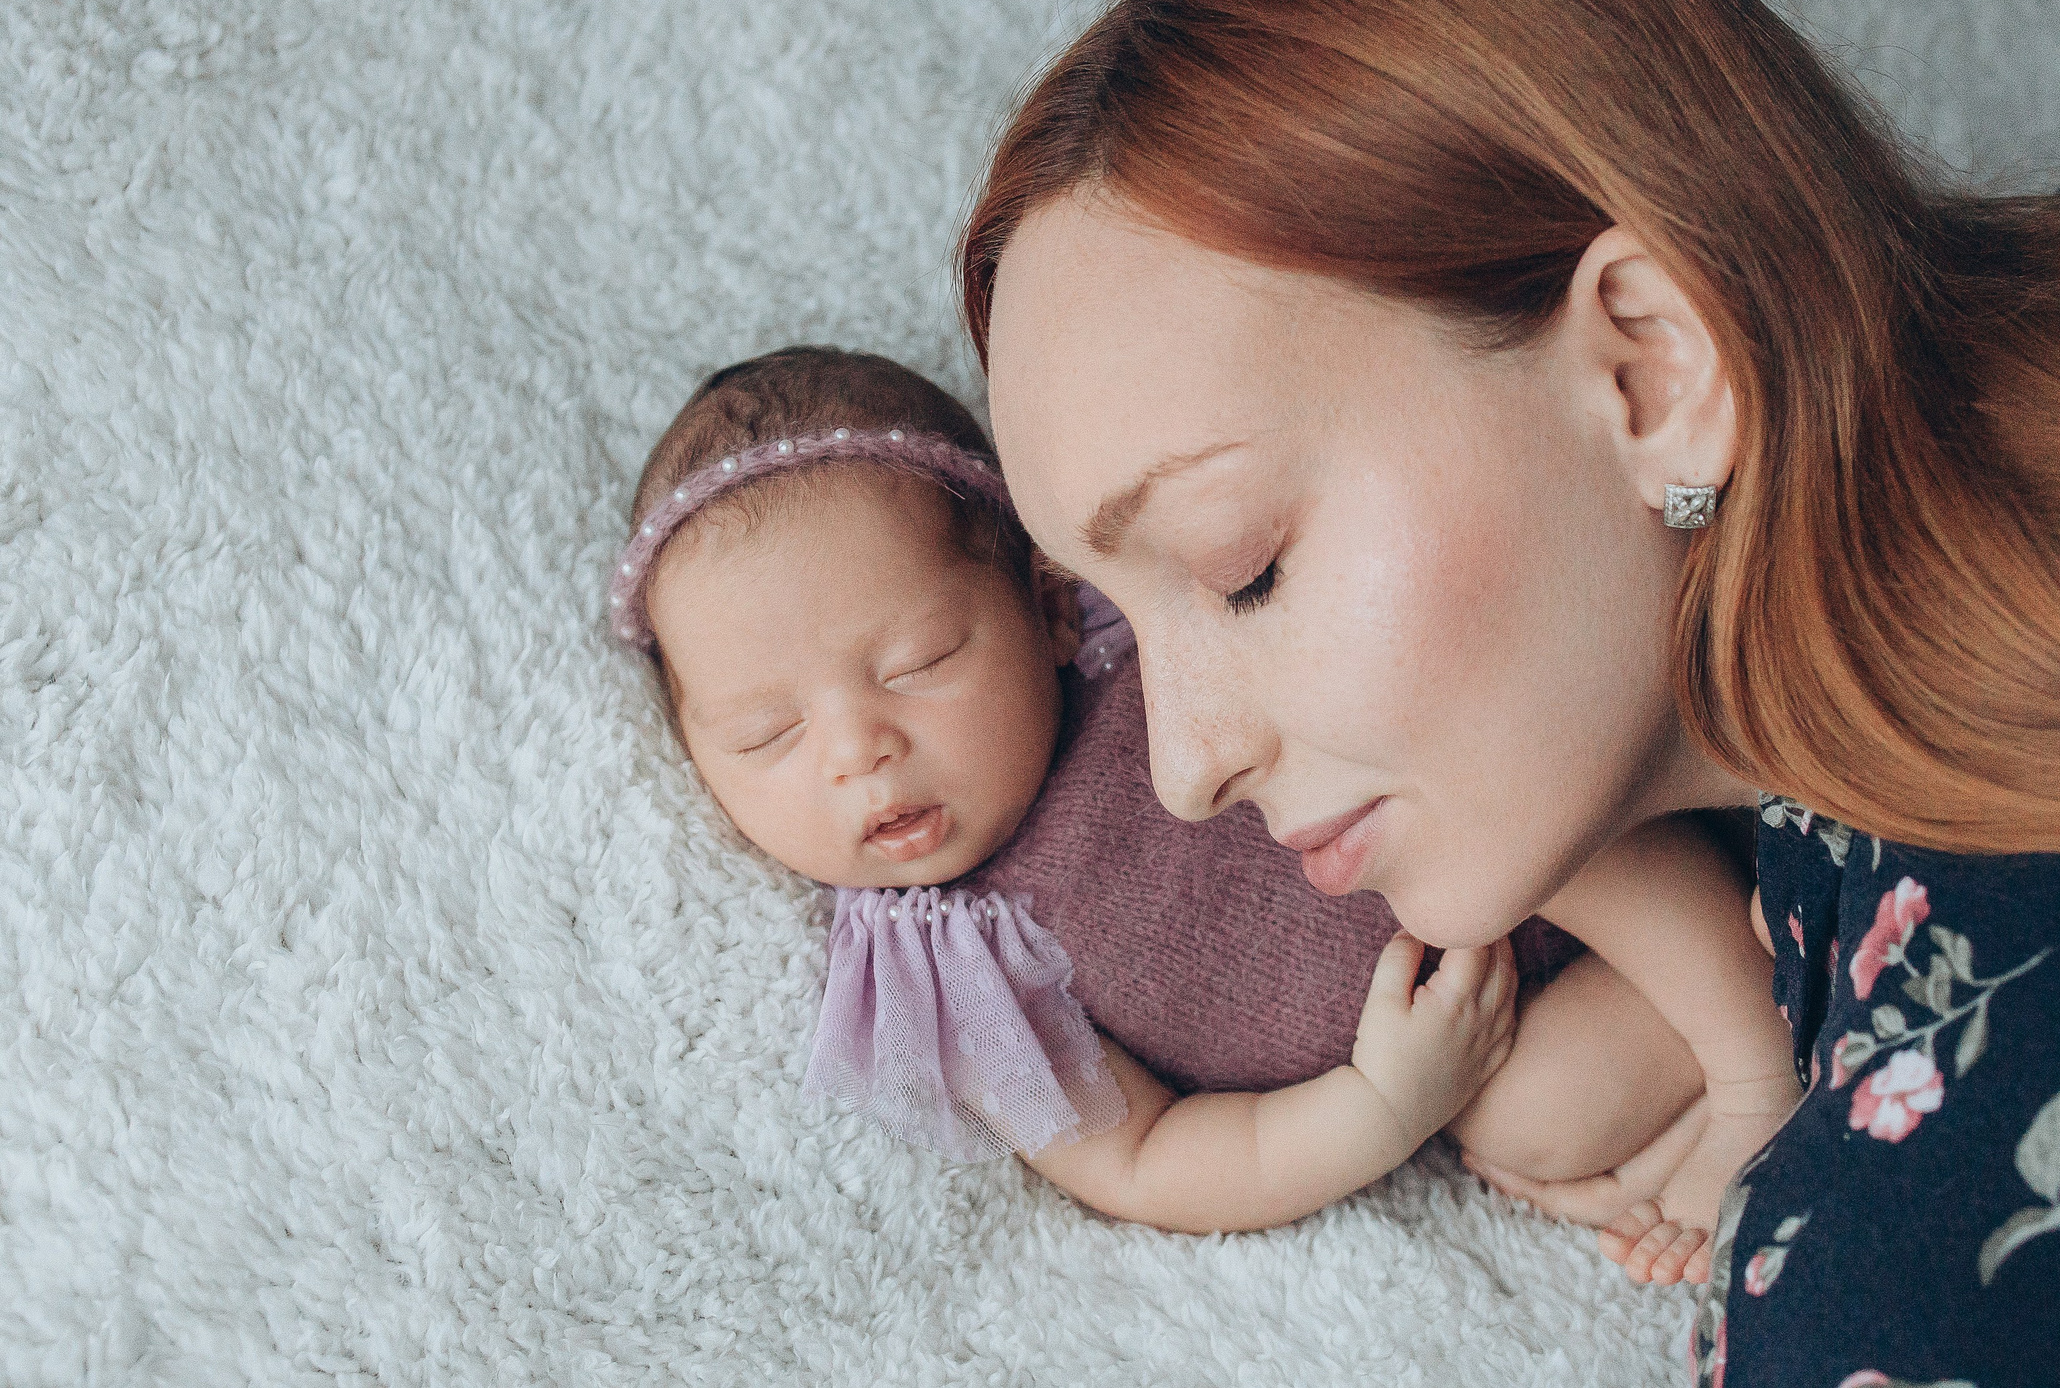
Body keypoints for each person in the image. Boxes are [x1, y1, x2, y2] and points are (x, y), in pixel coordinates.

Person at [960, 0, 2060, 1382]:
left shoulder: (1930, 1272)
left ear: (1656, 369)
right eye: (1105, 619)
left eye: (1242, 567)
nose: (1180, 769)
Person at [607, 345, 1788, 1239]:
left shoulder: (1146, 663)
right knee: (1532, 1123)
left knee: (1512, 799)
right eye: (765, 734)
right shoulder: (946, 967)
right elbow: (1146, 1157)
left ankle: (1751, 1059)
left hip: (1545, 824)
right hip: (1493, 1019)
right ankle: (1790, 984)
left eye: (918, 664)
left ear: (1050, 600)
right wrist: (1384, 1105)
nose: (858, 750)